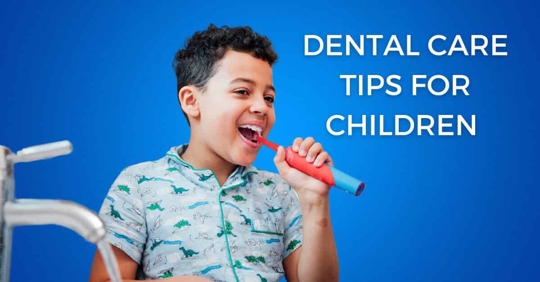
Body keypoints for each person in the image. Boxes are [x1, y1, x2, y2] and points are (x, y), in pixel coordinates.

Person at [88, 24, 339, 282]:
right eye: (242, 91)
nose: (262, 107)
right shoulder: (137, 184)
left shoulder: (279, 191)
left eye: (269, 98)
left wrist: (314, 202)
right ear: (191, 101)